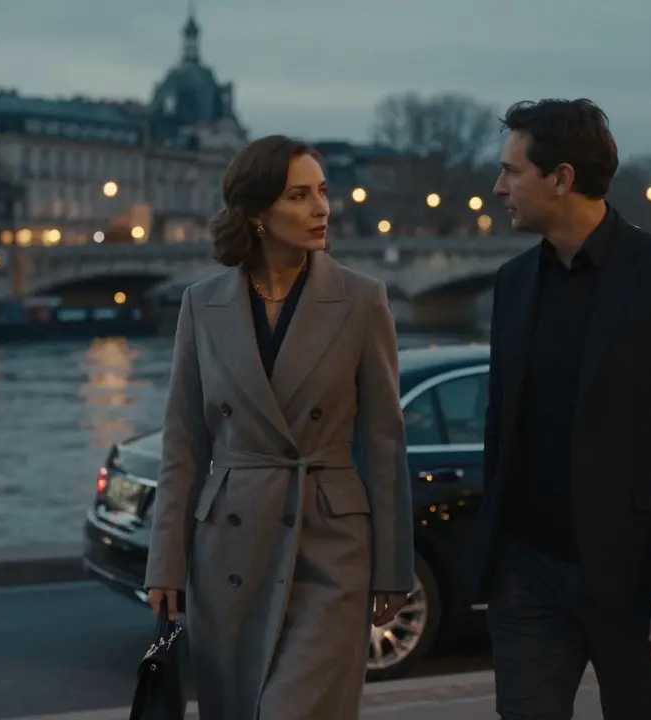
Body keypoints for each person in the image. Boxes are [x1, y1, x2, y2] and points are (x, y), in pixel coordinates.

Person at [472, 98, 651, 720]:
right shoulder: (511, 283)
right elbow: (500, 428)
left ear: (561, 178)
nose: (497, 186)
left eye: (512, 171)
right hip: (526, 574)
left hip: (635, 577)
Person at [143, 134, 414, 720]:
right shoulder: (201, 304)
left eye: (321, 192)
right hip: (230, 546)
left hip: (330, 546)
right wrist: (165, 562)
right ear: (258, 214)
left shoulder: (362, 300)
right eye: (299, 195)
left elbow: (385, 440)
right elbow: (184, 443)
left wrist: (394, 566)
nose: (321, 208)